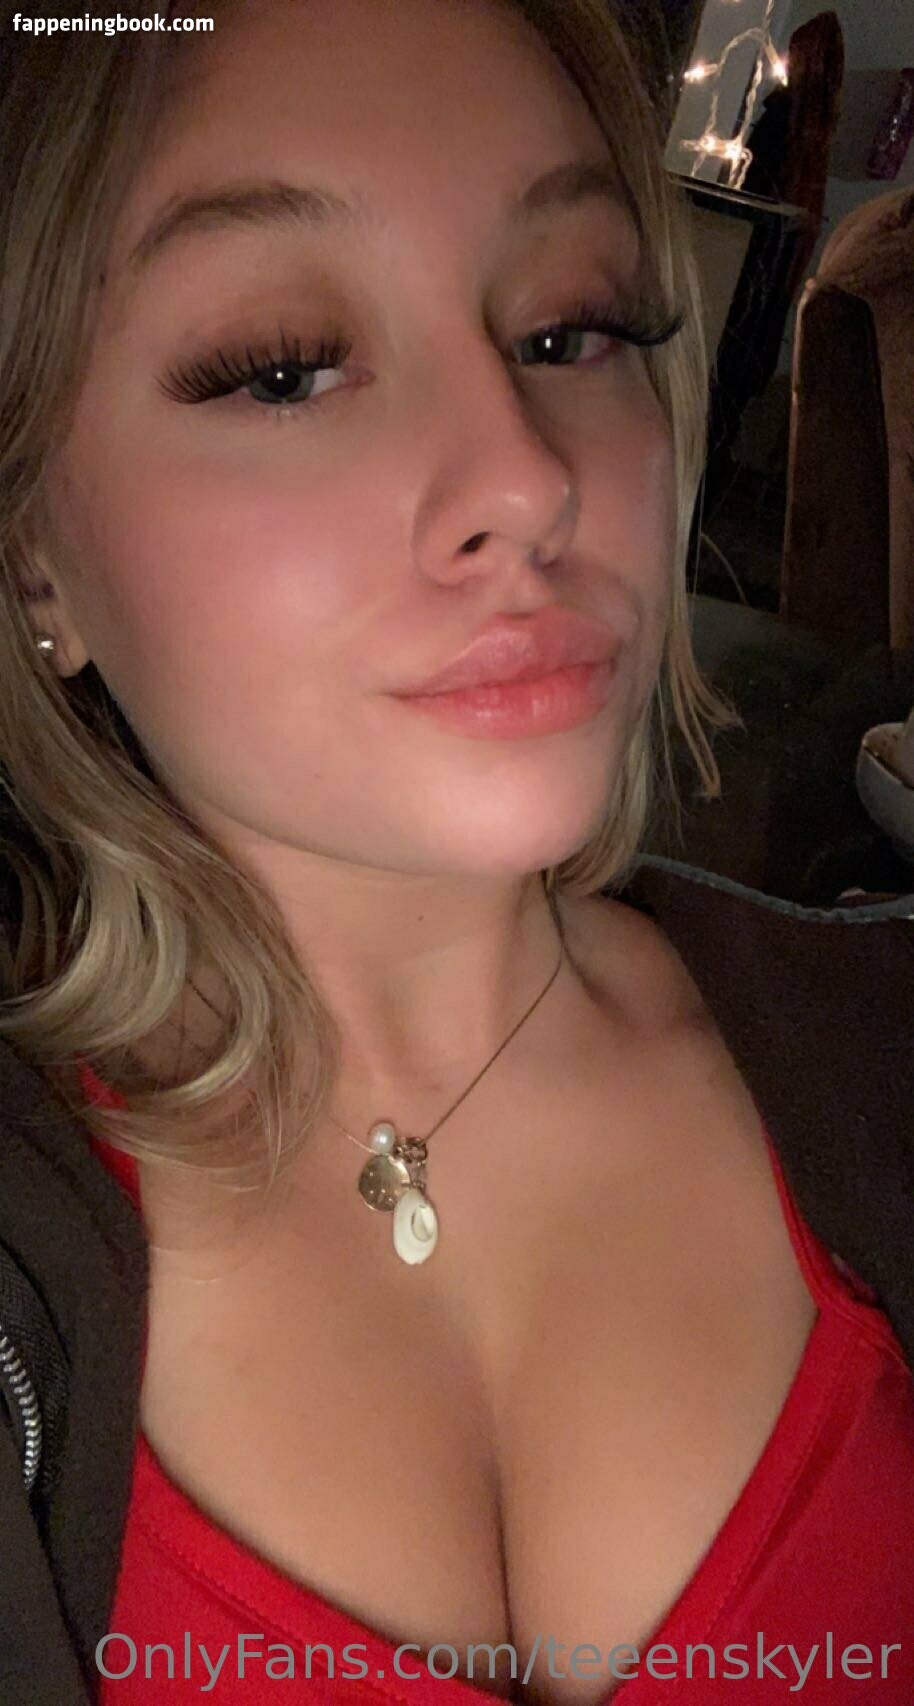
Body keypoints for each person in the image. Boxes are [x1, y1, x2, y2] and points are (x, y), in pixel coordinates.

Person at [0, 2, 912, 1702]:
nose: (522, 475)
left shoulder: (876, 1048)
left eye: (571, 328)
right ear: (35, 555)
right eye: (284, 366)